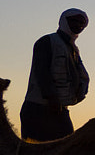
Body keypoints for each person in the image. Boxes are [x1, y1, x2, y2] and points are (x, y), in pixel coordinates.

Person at [21, 8, 90, 141]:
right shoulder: (47, 41)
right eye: (74, 21)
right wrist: (52, 98)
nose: (78, 25)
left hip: (59, 109)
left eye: (81, 23)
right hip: (39, 109)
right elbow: (41, 72)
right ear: (64, 21)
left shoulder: (73, 49)